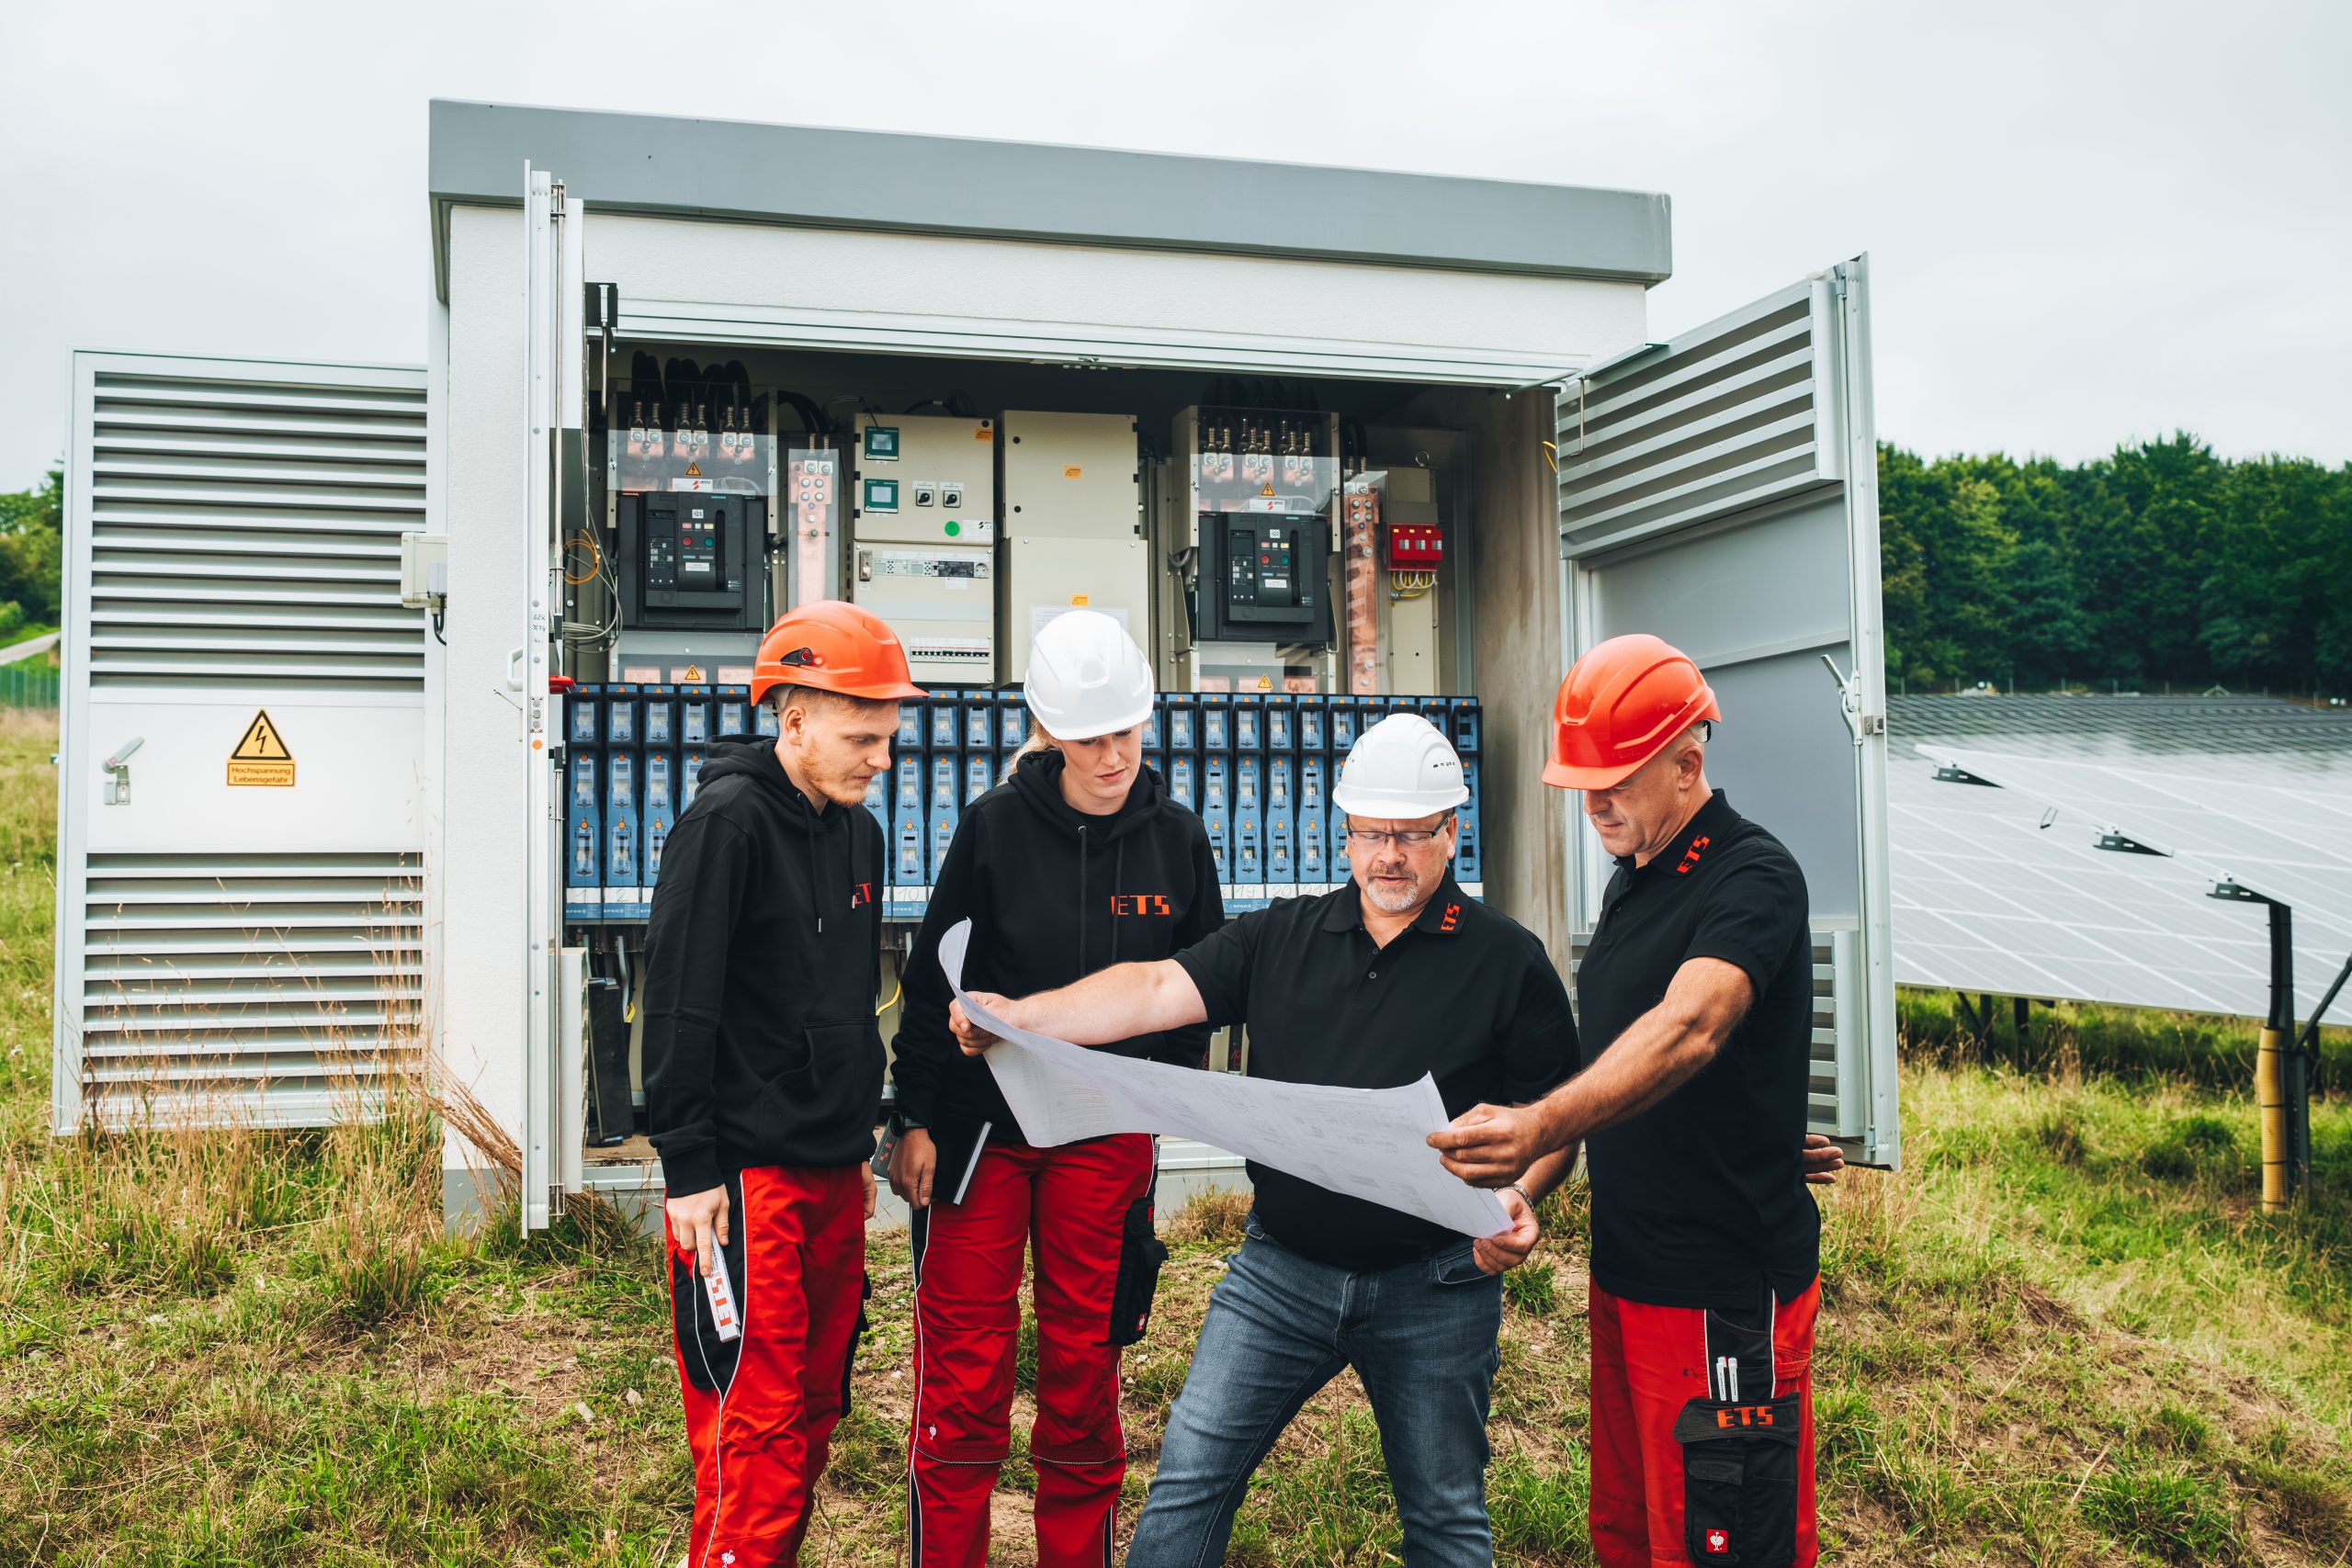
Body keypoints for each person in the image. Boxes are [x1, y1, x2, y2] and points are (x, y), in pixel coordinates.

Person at [951, 713, 1579, 1568]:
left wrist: (1521, 1194)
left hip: (1436, 1282)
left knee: (1444, 1517)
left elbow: (1554, 1119)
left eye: (1409, 834)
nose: (1386, 855)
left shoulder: (1509, 960)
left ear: (1452, 831)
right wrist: (1023, 1017)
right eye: (1367, 832)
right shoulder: (1282, 934)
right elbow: (1149, 990)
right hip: (1280, 1273)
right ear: (1344, 829)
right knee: (1188, 1484)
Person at [1429, 633, 1831, 1568]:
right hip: (1630, 1279)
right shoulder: (1633, 881)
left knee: (1726, 1546)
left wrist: (1535, 1122)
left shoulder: (1751, 877)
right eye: (1582, 780)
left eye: (1614, 777)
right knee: (1636, 1534)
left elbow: (1692, 1025)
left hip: (1719, 1293)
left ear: (1688, 763)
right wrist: (1533, 1179)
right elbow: (1629, 1070)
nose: (1592, 801)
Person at [887, 610, 1224, 1567]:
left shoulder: (1177, 842)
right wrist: (913, 1117)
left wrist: (1164, 1094)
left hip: (1105, 1136)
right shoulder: (992, 829)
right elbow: (929, 982)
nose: (1110, 755)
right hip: (979, 1136)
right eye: (1087, 737)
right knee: (964, 1375)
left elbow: (1204, 989)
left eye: (1124, 731)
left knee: (1084, 1371)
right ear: (1046, 729)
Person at [643, 600, 923, 1568]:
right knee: (751, 1423)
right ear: (792, 716)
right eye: (862, 737)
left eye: (889, 738)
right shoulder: (725, 826)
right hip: (744, 1185)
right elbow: (678, 1002)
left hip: (833, 1169)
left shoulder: (860, 836)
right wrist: (688, 1166)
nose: (881, 758)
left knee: (813, 1405)